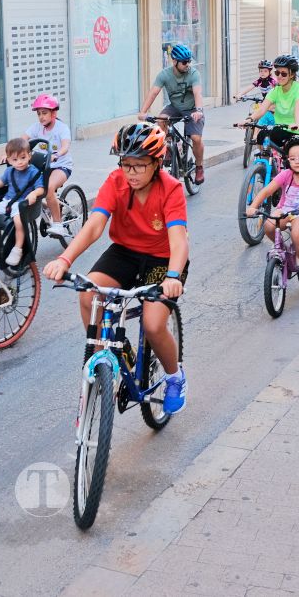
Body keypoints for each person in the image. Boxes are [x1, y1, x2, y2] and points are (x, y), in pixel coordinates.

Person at [41, 122, 189, 415]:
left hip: (162, 259)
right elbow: (94, 226)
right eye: (126, 164)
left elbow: (178, 240)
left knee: (152, 323)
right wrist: (64, 260)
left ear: (157, 163)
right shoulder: (115, 181)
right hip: (124, 252)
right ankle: (102, 363)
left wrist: (173, 276)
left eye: (139, 165)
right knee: (88, 294)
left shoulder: (171, 189)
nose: (131, 172)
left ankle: (175, 377)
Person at [244, 137, 299, 288]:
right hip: (285, 210)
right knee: (268, 226)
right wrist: (253, 206)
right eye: (292, 158)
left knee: (296, 234)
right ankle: (285, 251)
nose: (297, 161)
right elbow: (267, 191)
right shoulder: (286, 174)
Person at [138, 43, 206, 184]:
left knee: (195, 138)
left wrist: (199, 111)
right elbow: (154, 92)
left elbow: (197, 93)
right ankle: (169, 146)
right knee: (160, 121)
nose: (188, 64)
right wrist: (143, 112)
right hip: (175, 107)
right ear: (174, 61)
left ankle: (199, 167)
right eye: (184, 62)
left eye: (189, 61)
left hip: (193, 109)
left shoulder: (193, 74)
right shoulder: (165, 75)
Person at [0, 137, 45, 267]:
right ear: (8, 160)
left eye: (23, 158)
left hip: (22, 205)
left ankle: (17, 249)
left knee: (19, 222)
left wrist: (34, 193)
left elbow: (41, 188)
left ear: (29, 156)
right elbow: (1, 182)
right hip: (7, 201)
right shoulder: (9, 171)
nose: (19, 162)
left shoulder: (33, 172)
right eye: (15, 159)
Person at [19, 93, 73, 235]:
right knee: (26, 186)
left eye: (44, 113)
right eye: (39, 114)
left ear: (53, 113)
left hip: (61, 166)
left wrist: (57, 154)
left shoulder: (61, 128)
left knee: (48, 188)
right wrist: (8, 154)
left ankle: (58, 224)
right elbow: (21, 142)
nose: (41, 117)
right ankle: (50, 204)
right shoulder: (37, 127)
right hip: (44, 166)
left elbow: (65, 146)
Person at [246, 54, 299, 147]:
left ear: (292, 74)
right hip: (282, 129)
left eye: (283, 74)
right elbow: (262, 109)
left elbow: (298, 109)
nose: (279, 76)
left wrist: (297, 123)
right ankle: (266, 159)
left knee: (293, 156)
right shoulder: (275, 90)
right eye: (277, 73)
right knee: (261, 137)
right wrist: (249, 119)